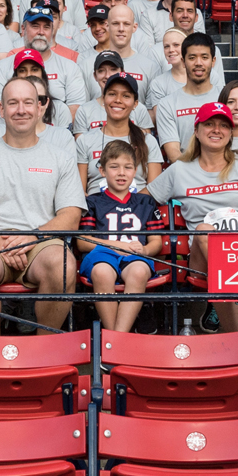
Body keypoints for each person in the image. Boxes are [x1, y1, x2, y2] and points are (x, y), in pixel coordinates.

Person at [0, 77, 85, 335]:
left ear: (40, 108)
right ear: (1, 110)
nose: (21, 109)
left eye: (28, 102)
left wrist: (31, 237)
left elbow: (70, 216)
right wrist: (2, 243)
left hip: (41, 241)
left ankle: (43, 351)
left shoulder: (61, 158)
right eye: (12, 103)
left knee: (63, 265)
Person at [149, 102, 238, 334]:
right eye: (209, 124)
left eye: (223, 125)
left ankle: (236, 322)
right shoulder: (179, 170)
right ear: (197, 131)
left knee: (211, 236)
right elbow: (142, 201)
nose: (216, 130)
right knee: (204, 230)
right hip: (204, 258)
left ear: (231, 133)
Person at [77, 140, 167, 333]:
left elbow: (156, 242)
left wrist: (145, 250)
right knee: (102, 272)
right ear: (102, 171)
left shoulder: (145, 202)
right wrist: (116, 246)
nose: (121, 173)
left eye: (127, 167)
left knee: (139, 272)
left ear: (135, 171)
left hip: (134, 256)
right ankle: (114, 337)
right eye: (114, 167)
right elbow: (82, 242)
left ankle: (117, 338)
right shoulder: (92, 202)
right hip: (101, 256)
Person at [0, 9, 86, 122]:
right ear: (23, 29)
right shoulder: (1, 67)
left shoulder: (70, 68)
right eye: (35, 26)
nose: (41, 32)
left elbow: (75, 111)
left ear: (52, 31)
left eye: (46, 27)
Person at [76, 74, 162, 194]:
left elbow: (154, 191)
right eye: (112, 94)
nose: (118, 100)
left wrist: (124, 205)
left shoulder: (148, 141)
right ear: (104, 98)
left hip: (137, 209)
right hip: (96, 209)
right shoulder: (85, 141)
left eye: (126, 96)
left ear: (135, 103)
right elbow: (79, 192)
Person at [154, 32, 224, 162]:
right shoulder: (167, 104)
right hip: (185, 178)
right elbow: (174, 154)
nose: (198, 63)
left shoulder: (225, 100)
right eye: (192, 58)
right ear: (183, 61)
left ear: (213, 61)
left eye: (204, 57)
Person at [87, 4, 163, 101]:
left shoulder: (151, 68)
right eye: (115, 23)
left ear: (134, 27)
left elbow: (151, 112)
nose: (121, 29)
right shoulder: (87, 65)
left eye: (126, 24)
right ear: (107, 26)